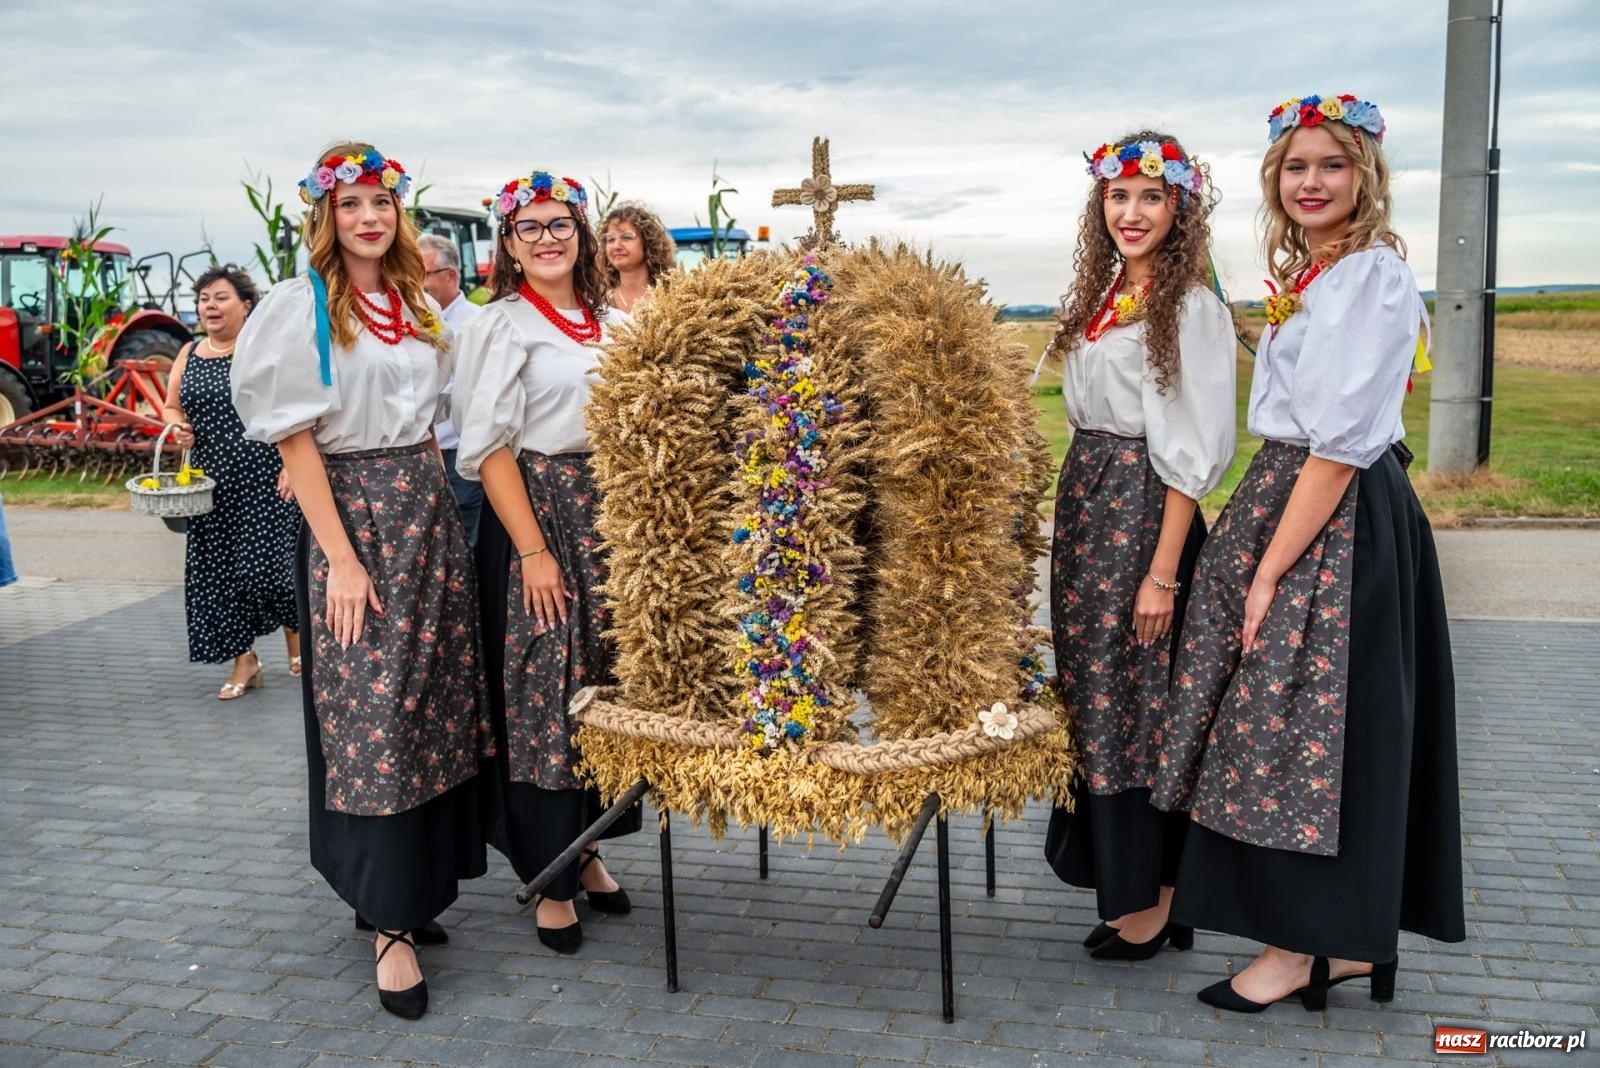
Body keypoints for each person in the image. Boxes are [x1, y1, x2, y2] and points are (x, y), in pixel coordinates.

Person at [1150, 95, 1463, 1012]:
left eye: (1331, 165)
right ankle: (1332, 940)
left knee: (1310, 734)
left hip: (1335, 517)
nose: (1312, 182)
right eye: (1296, 167)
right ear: (1274, 180)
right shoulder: (1323, 275)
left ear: (1365, 175)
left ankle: (1311, 945)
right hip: (1298, 501)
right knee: (1289, 734)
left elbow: (1336, 446)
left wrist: (1269, 572)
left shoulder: (1370, 278)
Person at [231, 142, 494, 1020]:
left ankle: (414, 890)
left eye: (381, 202)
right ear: (325, 218)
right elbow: (294, 438)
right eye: (350, 206)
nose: (369, 218)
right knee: (370, 708)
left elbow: (431, 420)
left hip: (424, 507)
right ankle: (385, 920)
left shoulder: (414, 302)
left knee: (430, 700)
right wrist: (340, 556)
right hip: (356, 518)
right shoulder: (298, 306)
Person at [1040, 132, 1237, 960]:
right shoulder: (1106, 295)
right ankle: (1132, 883)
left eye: (1151, 197)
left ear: (1179, 207)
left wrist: (1163, 573)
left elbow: (1190, 450)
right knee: (1100, 700)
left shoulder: (1187, 306)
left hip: (1143, 516)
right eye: (1118, 197)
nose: (1132, 212)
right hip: (1091, 511)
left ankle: (1159, 897)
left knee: (1146, 702)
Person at [453, 171, 640, 955]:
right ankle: (548, 876)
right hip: (539, 509)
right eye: (528, 228)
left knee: (607, 681)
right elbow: (488, 444)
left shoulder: (614, 321)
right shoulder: (501, 326)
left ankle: (588, 846)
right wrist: (532, 550)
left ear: (583, 233)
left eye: (559, 224)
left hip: (613, 513)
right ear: (508, 244)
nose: (547, 238)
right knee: (545, 695)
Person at [160, 265, 301, 699]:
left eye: (220, 297)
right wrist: (178, 426)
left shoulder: (262, 348)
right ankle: (245, 660)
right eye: (204, 299)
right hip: (211, 483)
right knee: (219, 577)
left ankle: (298, 638)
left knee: (273, 570)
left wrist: (295, 465)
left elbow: (292, 408)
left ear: (246, 305)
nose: (210, 306)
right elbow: (170, 406)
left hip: (264, 475)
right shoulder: (187, 352)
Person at [418, 233, 485, 545]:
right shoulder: (412, 319)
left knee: (464, 543)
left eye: (423, 275)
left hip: (461, 458)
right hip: (422, 456)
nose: (415, 284)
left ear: (451, 276)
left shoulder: (477, 324)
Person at [597, 201, 675, 315]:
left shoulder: (673, 298)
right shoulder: (600, 303)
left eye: (626, 237)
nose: (616, 246)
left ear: (648, 242)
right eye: (610, 239)